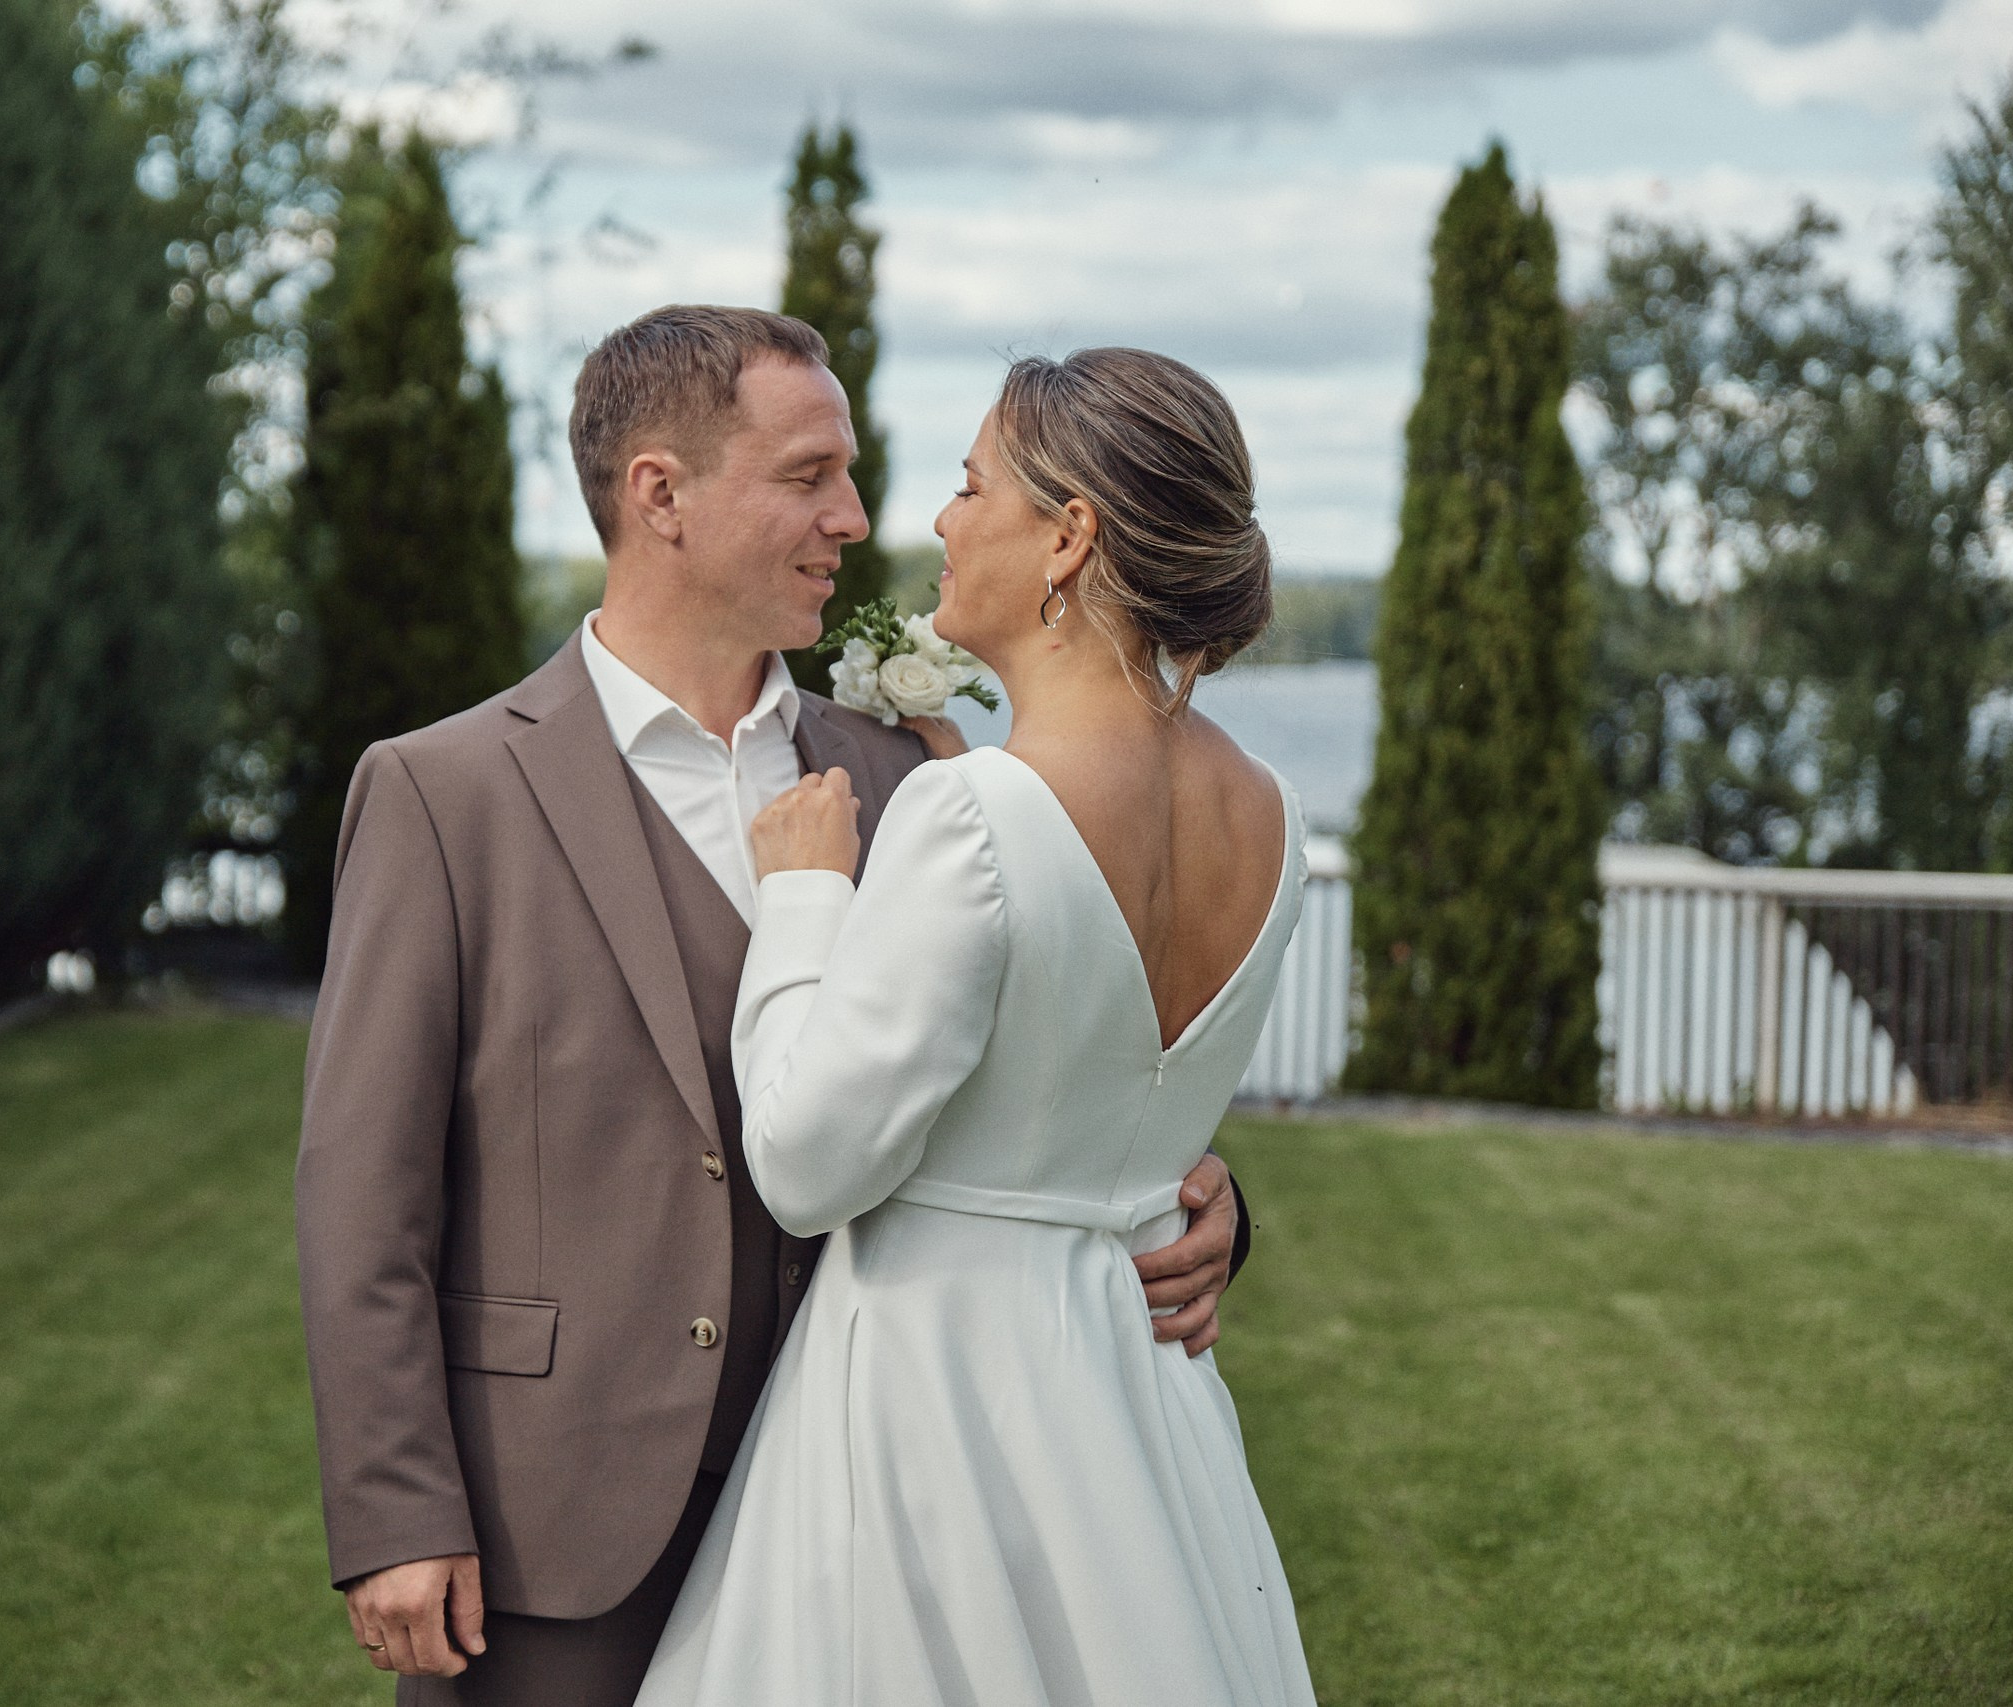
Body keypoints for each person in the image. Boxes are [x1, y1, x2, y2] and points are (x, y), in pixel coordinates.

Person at [294, 308, 1256, 1705]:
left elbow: (1059, 1061)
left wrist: (1195, 1197)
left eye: (854, 475)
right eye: (808, 476)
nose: (857, 519)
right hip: (555, 1525)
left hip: (871, 1517)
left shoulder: (918, 779)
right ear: (660, 494)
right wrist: (396, 1510)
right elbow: (362, 1191)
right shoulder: (447, 796)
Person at [636, 347, 1316, 1705]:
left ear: (1070, 539)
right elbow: (1114, 1099)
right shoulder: (1275, 815)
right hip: (1139, 1403)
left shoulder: (977, 814)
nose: (940, 521)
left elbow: (811, 1163)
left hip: (939, 1408)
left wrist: (809, 900)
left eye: (969, 484)